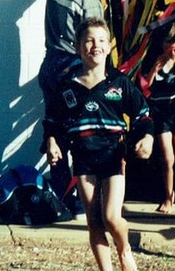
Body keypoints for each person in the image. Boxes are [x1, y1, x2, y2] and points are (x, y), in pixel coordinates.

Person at [42, 17, 154, 271]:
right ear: (79, 46)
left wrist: (146, 138)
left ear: (109, 47)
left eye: (101, 40)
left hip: (113, 156)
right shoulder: (67, 86)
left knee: (112, 218)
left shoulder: (119, 83)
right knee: (93, 221)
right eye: (89, 40)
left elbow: (142, 115)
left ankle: (125, 250)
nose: (96, 45)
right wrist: (52, 142)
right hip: (83, 158)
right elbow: (53, 121)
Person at [38, 0, 112, 211]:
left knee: (53, 128)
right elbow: (95, 42)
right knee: (82, 130)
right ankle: (83, 200)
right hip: (73, 68)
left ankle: (61, 195)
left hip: (50, 65)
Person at [142, 24, 175, 214]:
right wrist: (154, 70)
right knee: (167, 158)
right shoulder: (153, 60)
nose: (173, 45)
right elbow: (145, 88)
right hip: (162, 112)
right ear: (163, 43)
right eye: (169, 42)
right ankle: (167, 198)